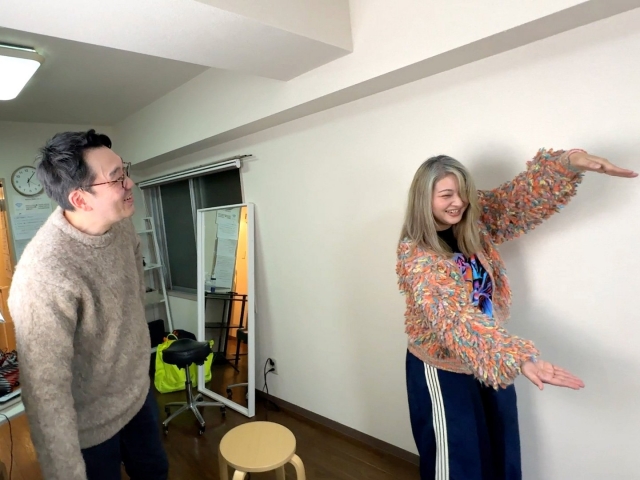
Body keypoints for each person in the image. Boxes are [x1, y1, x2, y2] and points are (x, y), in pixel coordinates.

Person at [396, 148, 637, 480]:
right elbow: (456, 320)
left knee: (502, 449)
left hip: (493, 356)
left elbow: (516, 201)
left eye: (463, 193)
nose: (458, 202)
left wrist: (568, 163)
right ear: (424, 199)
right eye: (446, 195)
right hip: (443, 367)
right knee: (458, 463)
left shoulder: (473, 220)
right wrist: (519, 359)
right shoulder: (417, 255)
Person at [8, 130, 169, 480]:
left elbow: (133, 282)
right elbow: (45, 392)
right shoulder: (44, 274)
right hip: (88, 424)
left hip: (137, 391)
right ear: (80, 200)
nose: (129, 183)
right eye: (116, 178)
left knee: (155, 471)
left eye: (124, 170)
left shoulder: (120, 225)